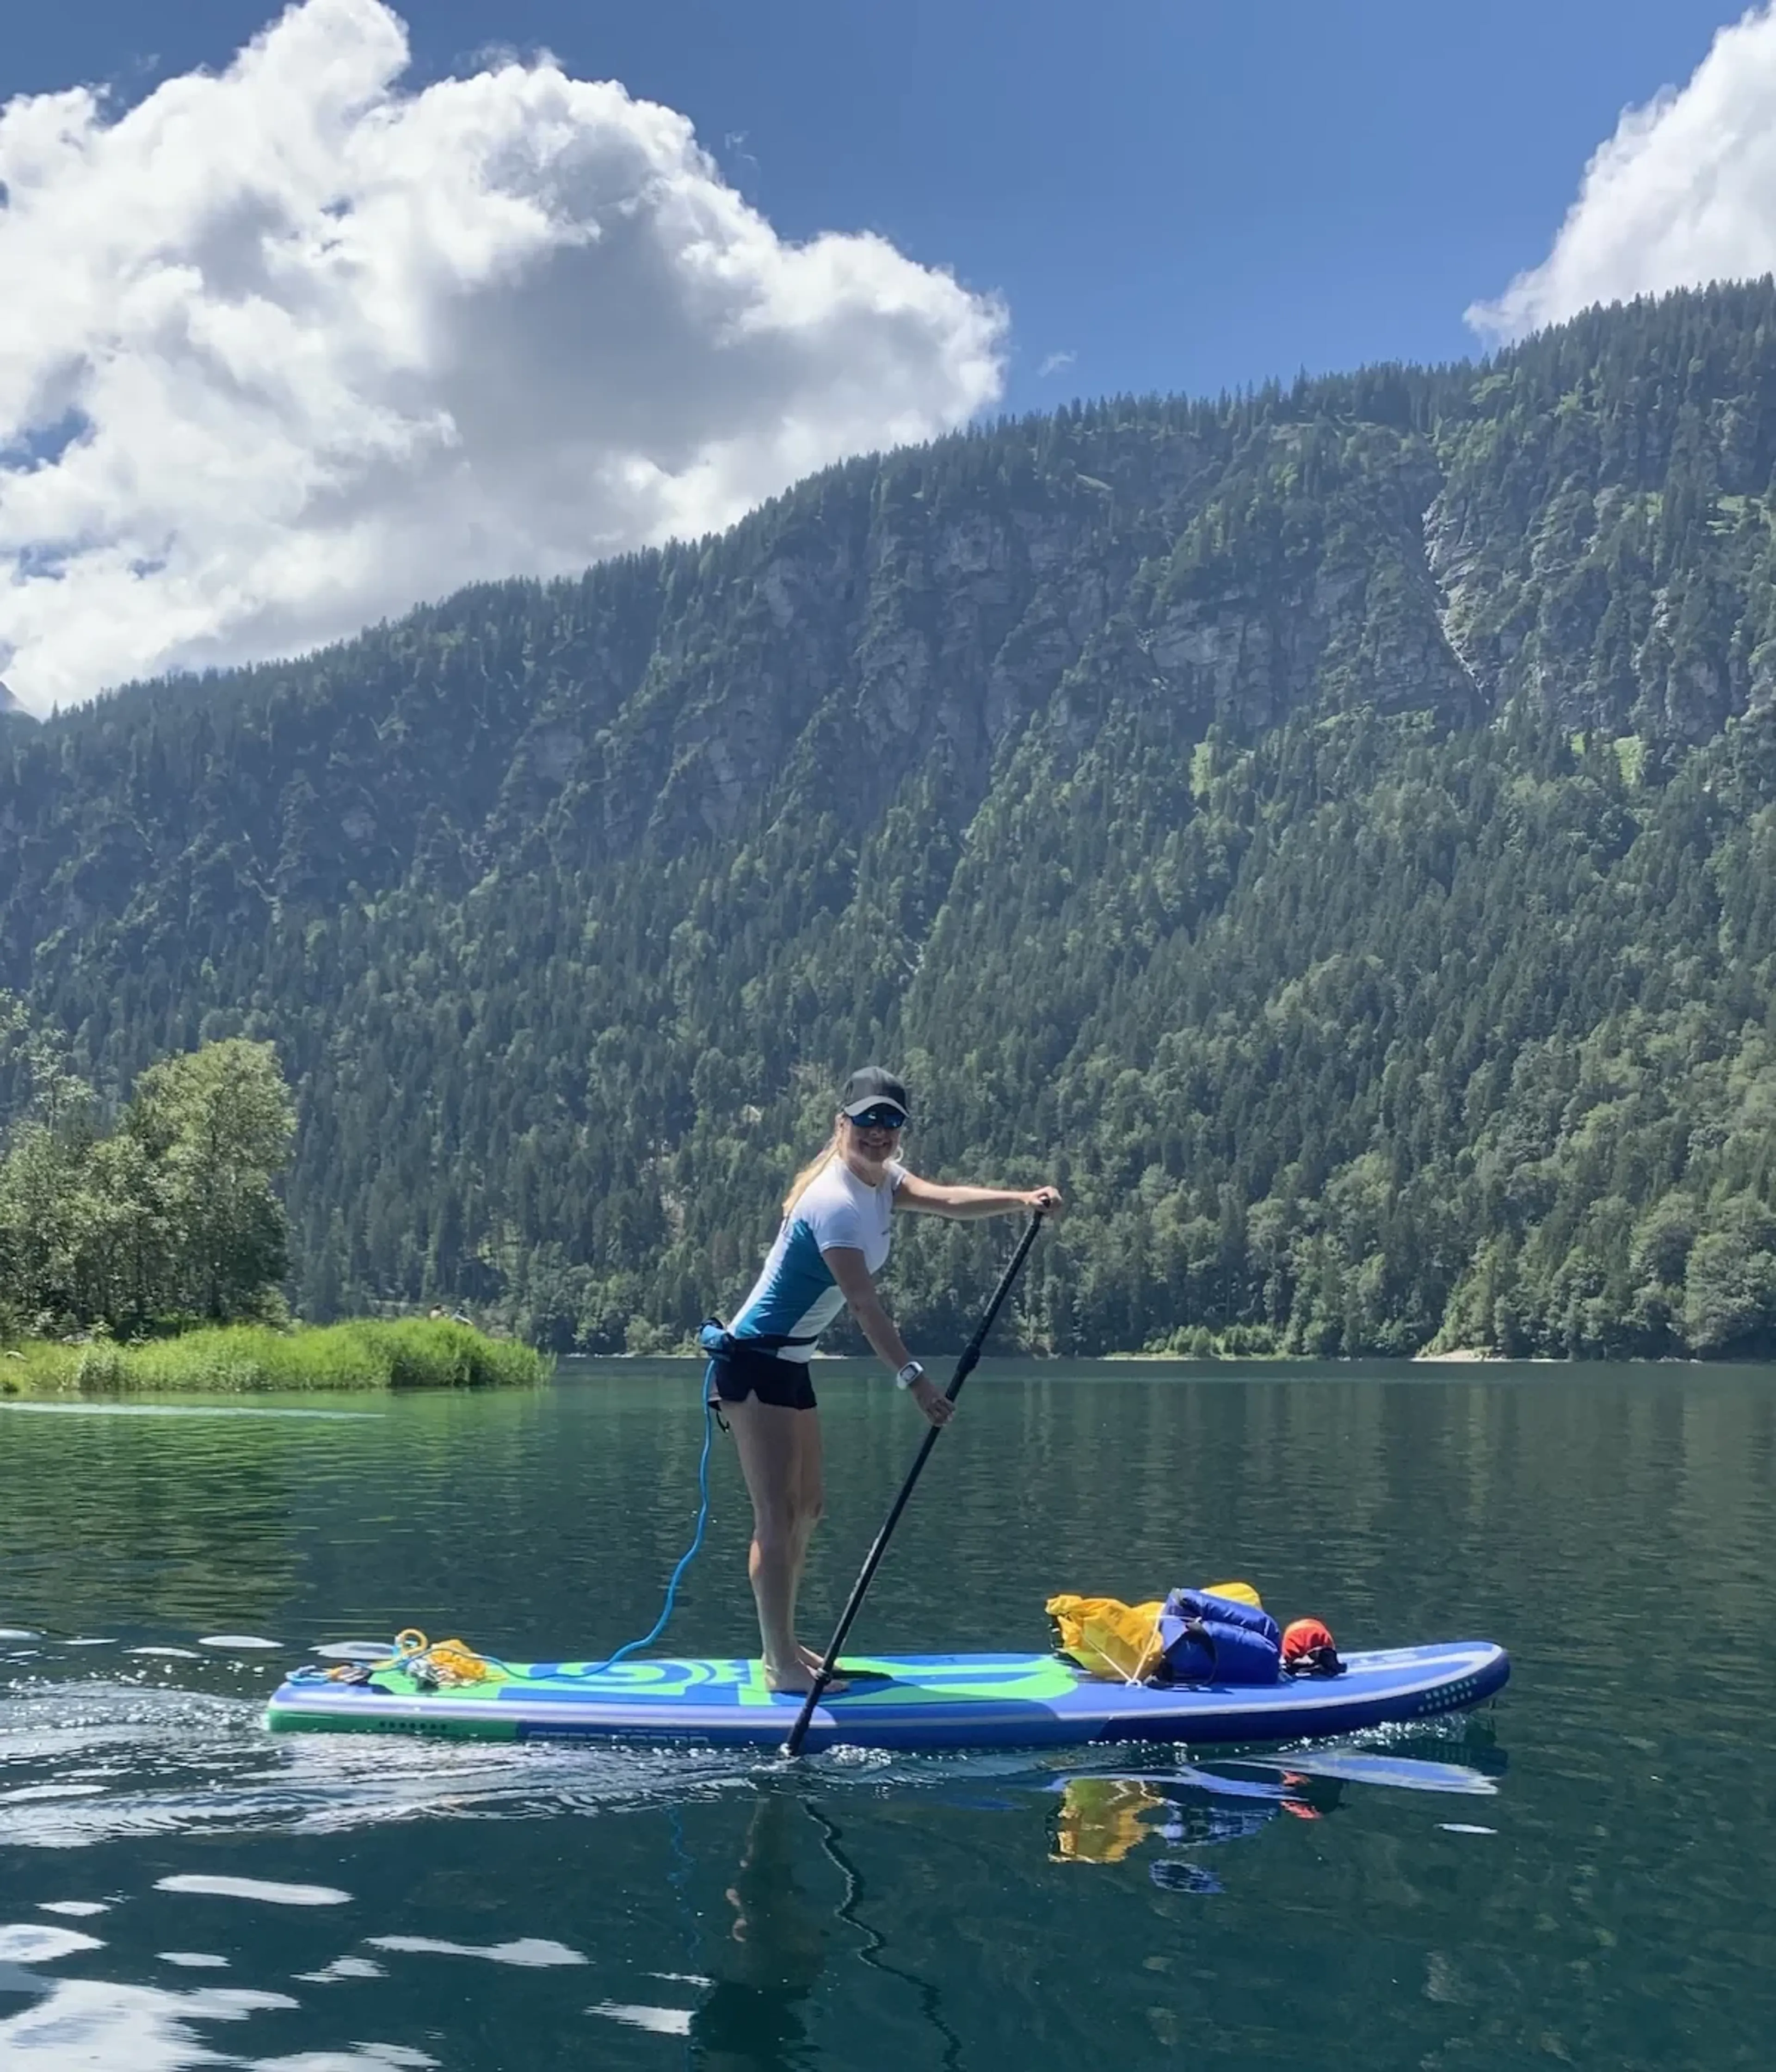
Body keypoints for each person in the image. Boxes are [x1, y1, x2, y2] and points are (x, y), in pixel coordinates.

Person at [703, 1066, 1063, 1694]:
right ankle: (778, 1663)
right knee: (774, 1515)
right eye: (866, 1122)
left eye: (890, 1123)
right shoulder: (834, 1203)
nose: (878, 1134)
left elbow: (946, 1199)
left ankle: (787, 1645)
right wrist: (916, 1381)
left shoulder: (884, 1181)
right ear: (842, 1124)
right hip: (753, 1359)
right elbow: (866, 1308)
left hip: (790, 1362)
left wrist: (1019, 1200)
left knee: (808, 1507)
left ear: (901, 1131)